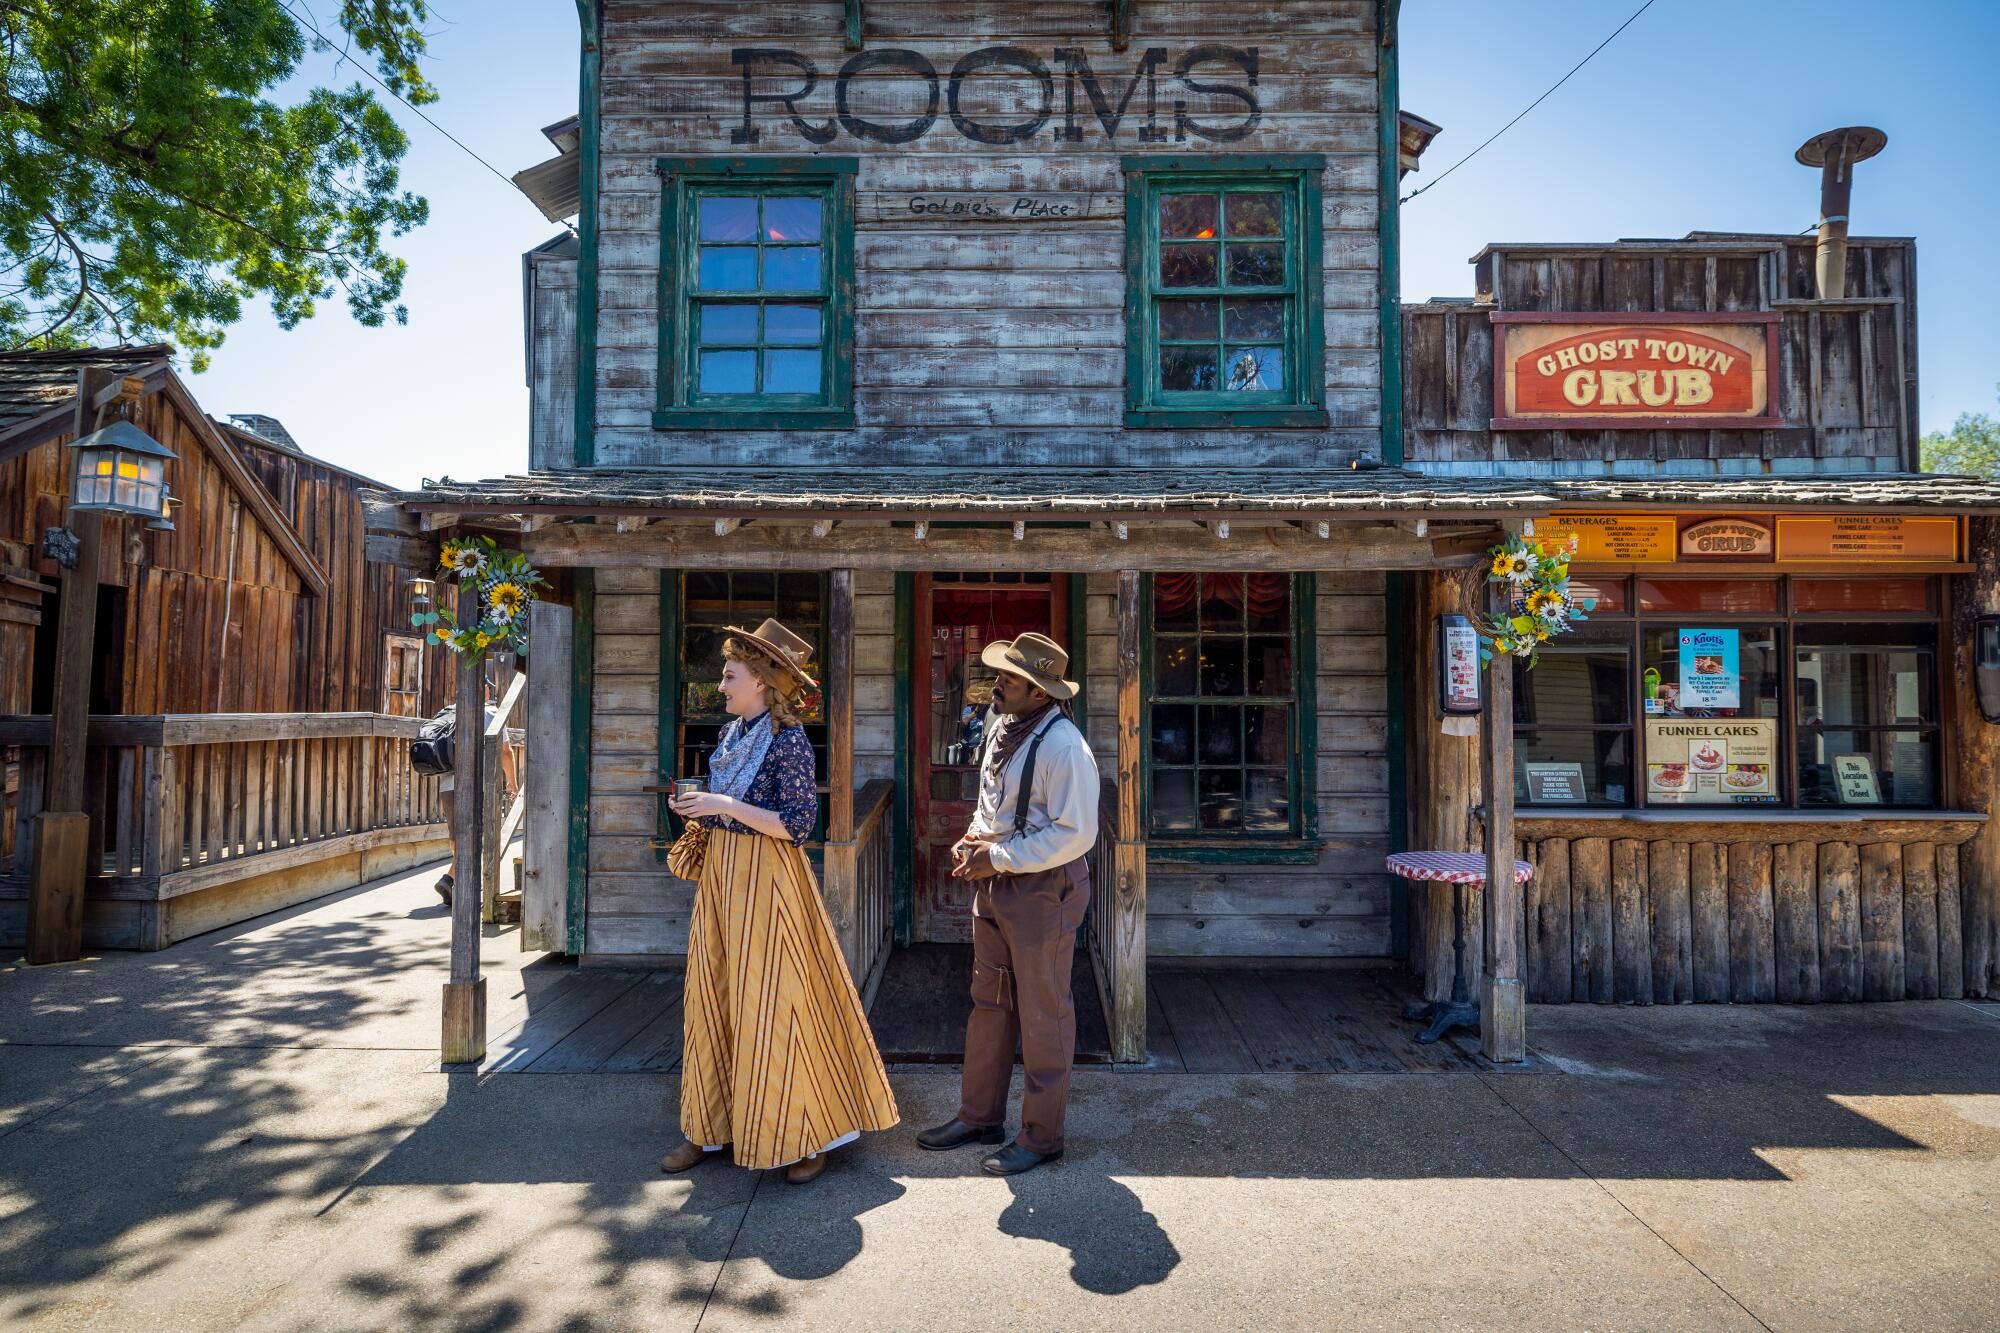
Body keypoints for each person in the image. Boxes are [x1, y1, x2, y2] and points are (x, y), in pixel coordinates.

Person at [660, 618, 900, 1185]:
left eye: (729, 675)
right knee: (713, 998)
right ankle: (712, 1126)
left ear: (762, 682)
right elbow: (728, 807)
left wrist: (725, 804)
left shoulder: (788, 741)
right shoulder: (732, 736)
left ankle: (805, 1136)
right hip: (722, 877)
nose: (721, 686)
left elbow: (795, 824)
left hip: (768, 881)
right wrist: (700, 808)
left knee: (777, 1003)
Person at [916, 632, 1097, 1176]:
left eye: (1010, 678)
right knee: (989, 1002)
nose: (998, 683)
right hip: (997, 882)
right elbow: (991, 801)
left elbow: (1076, 834)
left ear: (1040, 693)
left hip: (1045, 889)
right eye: (1001, 673)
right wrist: (975, 840)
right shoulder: (1002, 728)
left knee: (1044, 1013)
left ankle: (1043, 1136)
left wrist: (998, 857)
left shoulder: (1066, 747)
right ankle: (980, 1116)